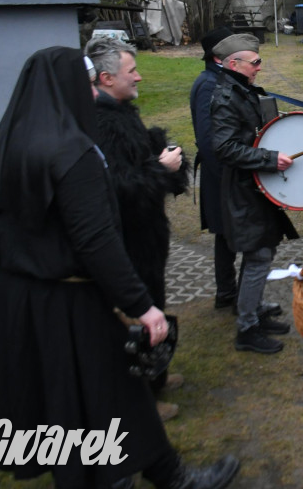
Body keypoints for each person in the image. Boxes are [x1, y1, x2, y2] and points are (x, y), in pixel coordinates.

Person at [0, 46, 239, 489]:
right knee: (109, 391)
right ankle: (148, 478)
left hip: (21, 298)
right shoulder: (72, 152)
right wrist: (142, 305)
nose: (91, 92)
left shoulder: (4, 145)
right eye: (84, 83)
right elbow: (94, 238)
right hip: (72, 297)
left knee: (67, 396)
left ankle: (148, 474)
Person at [85, 36, 189, 419]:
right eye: (132, 71)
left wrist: (161, 149)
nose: (140, 77)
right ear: (107, 77)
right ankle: (139, 401)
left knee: (154, 303)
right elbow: (117, 185)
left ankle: (155, 377)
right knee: (137, 313)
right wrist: (160, 170)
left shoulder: (122, 111)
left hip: (147, 232)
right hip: (127, 235)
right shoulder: (101, 122)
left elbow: (138, 158)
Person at [211, 33, 299, 354]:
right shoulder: (225, 97)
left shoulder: (240, 90)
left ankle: (255, 308)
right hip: (244, 189)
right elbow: (224, 148)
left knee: (265, 249)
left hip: (258, 185)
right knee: (259, 253)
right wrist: (269, 159)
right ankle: (247, 327)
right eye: (255, 62)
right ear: (234, 64)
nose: (259, 68)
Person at [190, 27, 282, 319]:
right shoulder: (211, 86)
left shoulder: (228, 83)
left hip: (240, 174)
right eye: (253, 61)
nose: (258, 66)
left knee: (248, 242)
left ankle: (243, 300)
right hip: (225, 177)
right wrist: (237, 175)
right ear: (227, 59)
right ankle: (229, 296)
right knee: (229, 238)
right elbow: (213, 141)